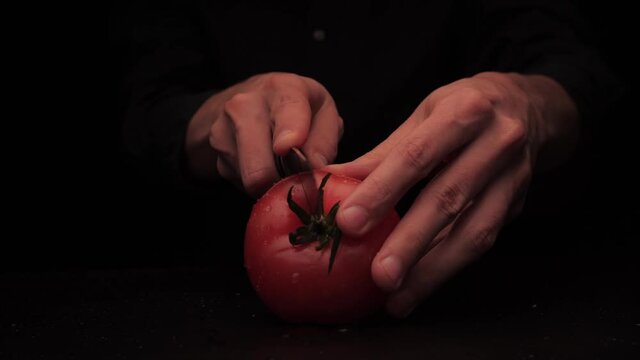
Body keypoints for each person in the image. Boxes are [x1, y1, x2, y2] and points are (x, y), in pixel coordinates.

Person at [123, 0, 617, 317]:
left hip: (494, 301)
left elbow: (580, 67)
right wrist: (213, 119)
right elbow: (144, 101)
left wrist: (528, 106)